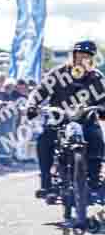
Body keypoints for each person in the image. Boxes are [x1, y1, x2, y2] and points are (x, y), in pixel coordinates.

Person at [26, 40, 105, 217]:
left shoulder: (96, 77)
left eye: (87, 56)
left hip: (86, 121)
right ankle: (46, 182)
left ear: (92, 58)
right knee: (44, 140)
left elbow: (103, 98)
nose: (83, 58)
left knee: (97, 138)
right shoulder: (59, 74)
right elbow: (39, 92)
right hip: (59, 120)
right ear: (74, 55)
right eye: (80, 54)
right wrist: (32, 105)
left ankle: (94, 181)